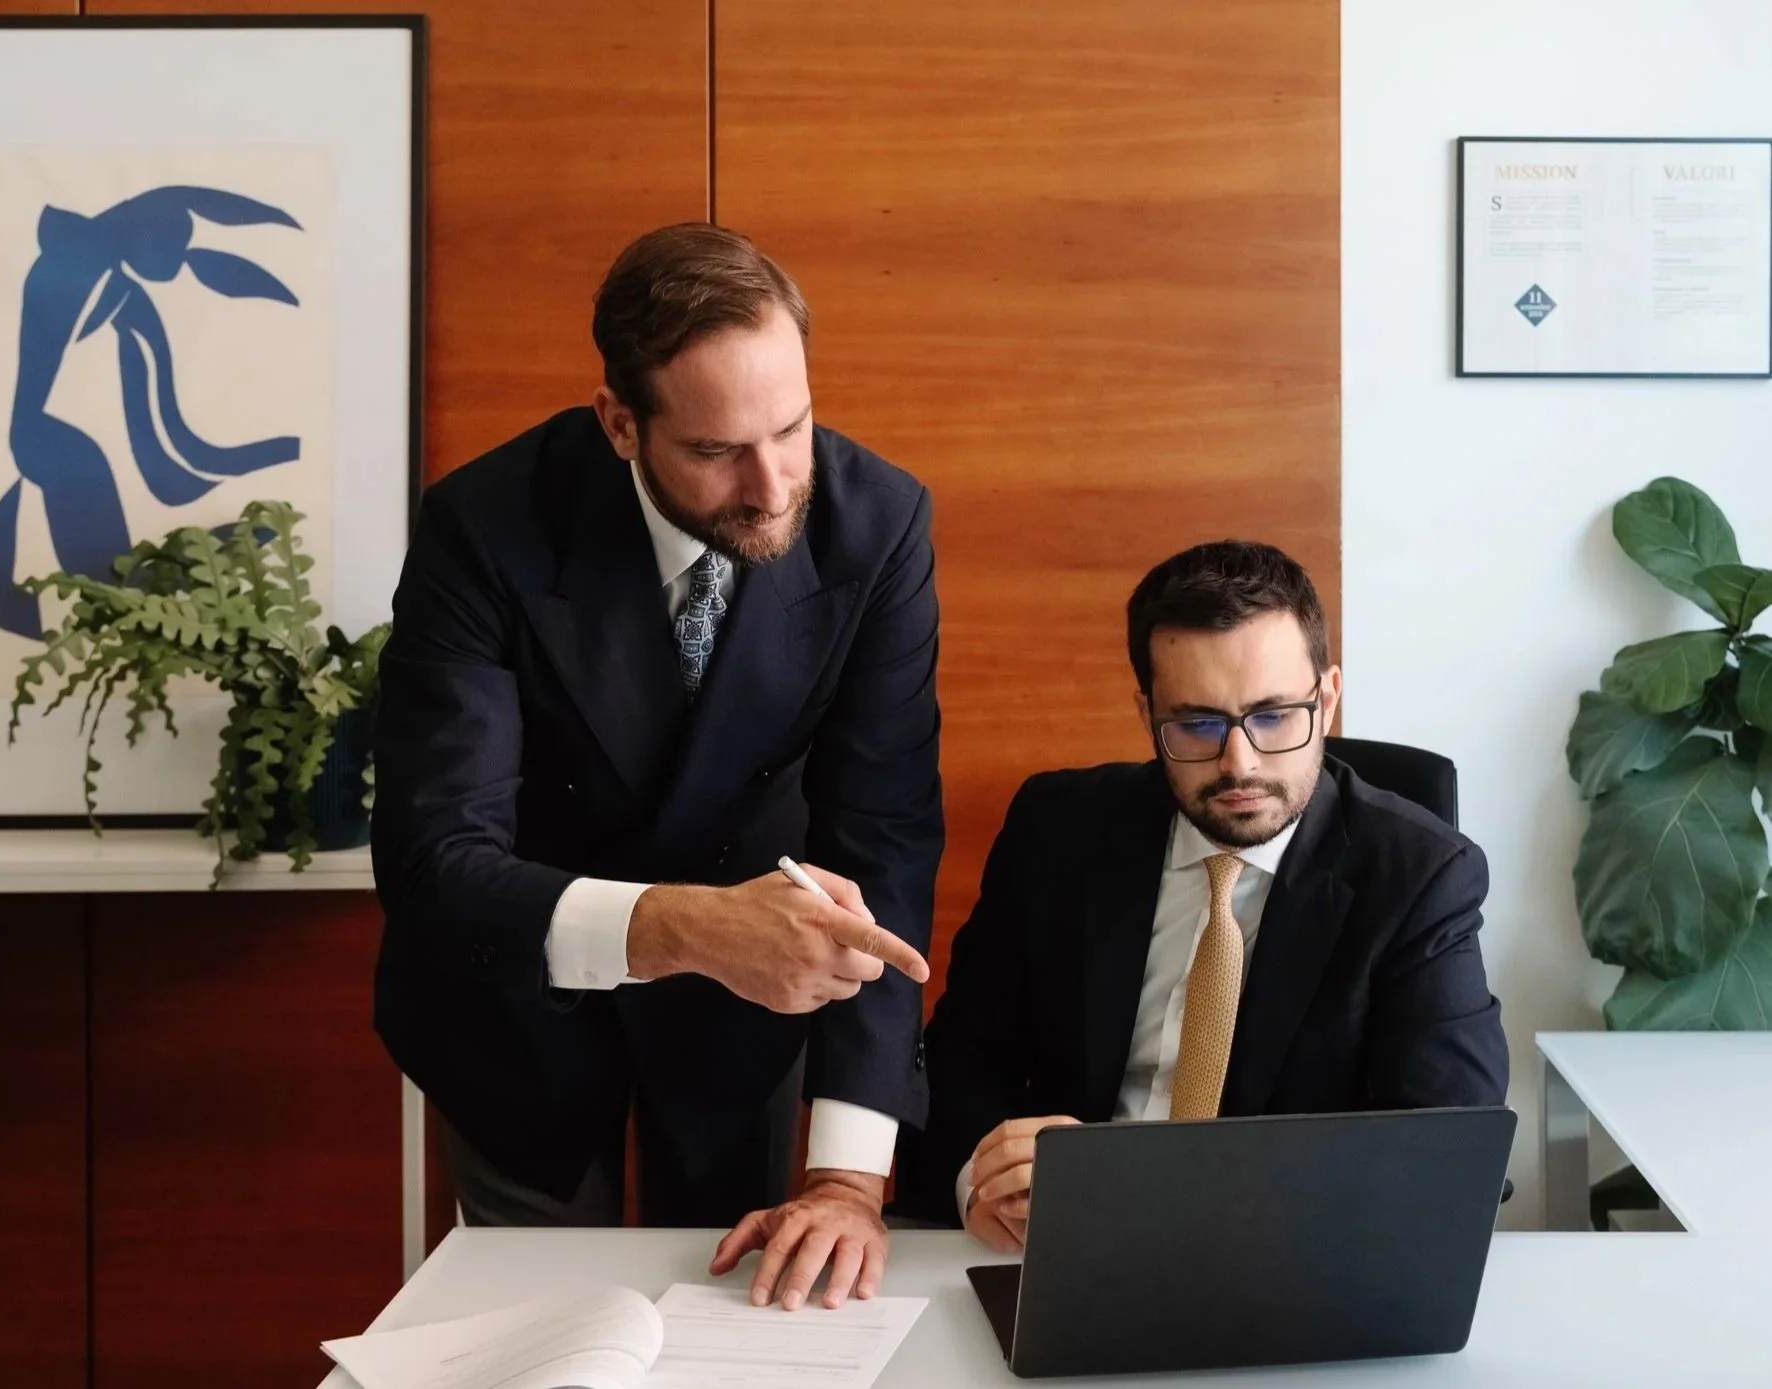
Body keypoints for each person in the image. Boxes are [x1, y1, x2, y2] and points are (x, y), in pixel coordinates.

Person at [369, 223, 943, 1309]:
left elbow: (887, 837)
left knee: (736, 1321)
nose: (772, 487)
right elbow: (433, 861)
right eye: (717, 451)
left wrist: (844, 1177)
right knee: (539, 1341)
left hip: (753, 1011)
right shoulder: (482, 530)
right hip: (516, 996)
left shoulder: (878, 525)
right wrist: (686, 928)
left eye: (792, 428)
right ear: (619, 423)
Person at [897, 540, 1508, 1250]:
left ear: (1329, 697)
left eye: (1275, 715)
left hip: (1293, 1256)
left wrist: (1159, 1193)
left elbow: (1445, 1147)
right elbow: (959, 1060)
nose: (1239, 763)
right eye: (1197, 724)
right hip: (1064, 1243)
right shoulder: (1057, 829)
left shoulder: (1419, 875)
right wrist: (984, 1178)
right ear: (1147, 713)